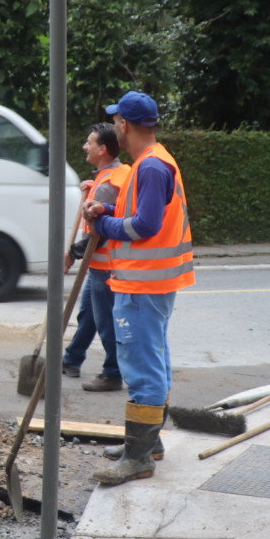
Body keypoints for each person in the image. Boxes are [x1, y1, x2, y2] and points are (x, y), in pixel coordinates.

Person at [82, 91, 194, 486]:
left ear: (124, 125)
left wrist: (103, 225)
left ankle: (139, 456)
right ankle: (146, 444)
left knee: (142, 366)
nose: (114, 126)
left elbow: (144, 226)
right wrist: (109, 211)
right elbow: (142, 214)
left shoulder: (149, 167)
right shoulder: (154, 162)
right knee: (155, 360)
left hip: (142, 283)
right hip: (153, 282)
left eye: (115, 121)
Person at [61, 123, 130, 392]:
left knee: (106, 324)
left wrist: (72, 254)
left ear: (102, 149)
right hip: (100, 264)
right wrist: (91, 188)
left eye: (89, 142)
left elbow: (98, 234)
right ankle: (72, 359)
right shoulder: (114, 175)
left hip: (105, 263)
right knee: (88, 316)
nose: (84, 146)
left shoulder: (108, 184)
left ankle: (113, 373)